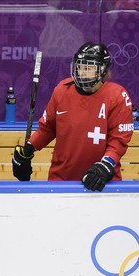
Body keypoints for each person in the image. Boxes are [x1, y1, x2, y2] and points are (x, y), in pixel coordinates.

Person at [13, 42, 135, 191]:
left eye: (89, 68)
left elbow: (118, 141)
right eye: (80, 66)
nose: (82, 72)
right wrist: (29, 149)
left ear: (102, 70)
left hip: (101, 183)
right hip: (61, 181)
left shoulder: (117, 96)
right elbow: (48, 127)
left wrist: (105, 165)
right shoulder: (62, 90)